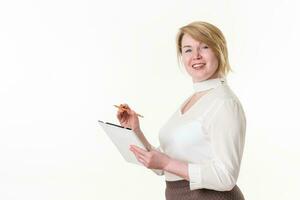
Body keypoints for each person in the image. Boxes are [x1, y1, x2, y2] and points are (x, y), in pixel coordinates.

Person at [116, 21, 246, 200]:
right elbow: (159, 166)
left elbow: (226, 177)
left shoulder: (224, 103)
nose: (196, 56)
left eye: (205, 47)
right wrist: (135, 131)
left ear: (219, 50)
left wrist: (167, 163)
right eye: (188, 50)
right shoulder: (195, 99)